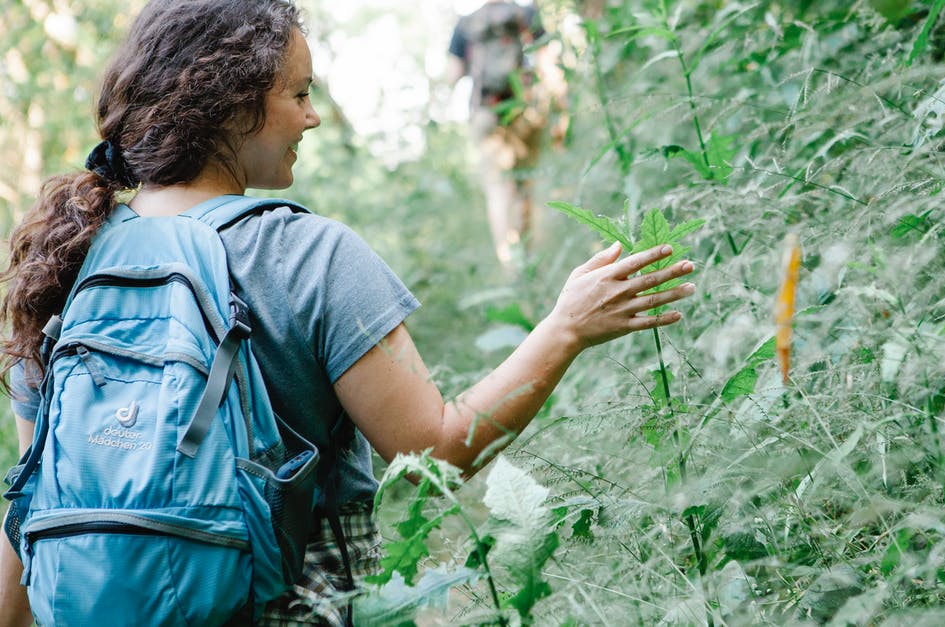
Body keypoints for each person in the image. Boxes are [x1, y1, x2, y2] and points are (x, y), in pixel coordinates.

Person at [0, 0, 695, 624]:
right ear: (235, 104)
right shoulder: (310, 254)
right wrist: (565, 328)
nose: (312, 115)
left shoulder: (67, 262)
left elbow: (30, 510)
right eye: (299, 93)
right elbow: (432, 454)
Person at [446, 0, 566, 268]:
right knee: (526, 184)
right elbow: (548, 64)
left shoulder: (466, 24)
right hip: (525, 109)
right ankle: (531, 256)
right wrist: (561, 106)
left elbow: (452, 75)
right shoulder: (525, 14)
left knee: (498, 189)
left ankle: (510, 264)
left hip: (486, 113)